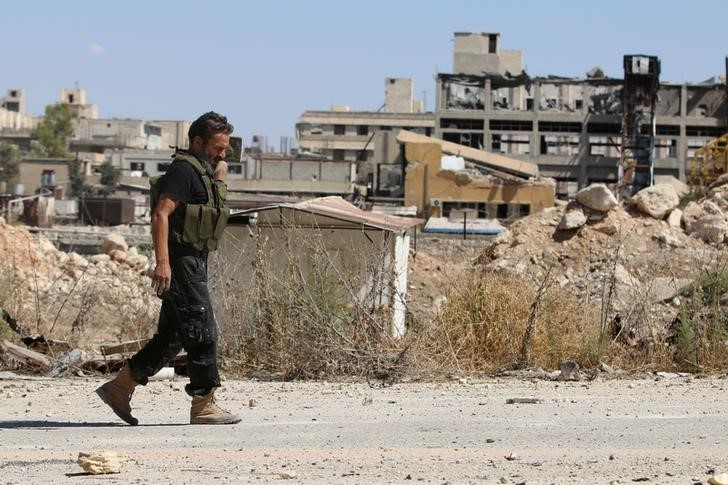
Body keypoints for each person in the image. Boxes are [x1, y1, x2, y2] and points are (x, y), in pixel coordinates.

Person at [96, 111, 239, 425]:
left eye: (225, 148)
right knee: (203, 331)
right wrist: (163, 263)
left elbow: (207, 209)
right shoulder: (182, 171)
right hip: (180, 262)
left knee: (172, 337)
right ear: (198, 142)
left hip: (193, 260)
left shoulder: (203, 172)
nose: (222, 153)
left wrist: (220, 172)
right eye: (217, 147)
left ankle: (120, 388)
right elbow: (161, 215)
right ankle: (204, 404)